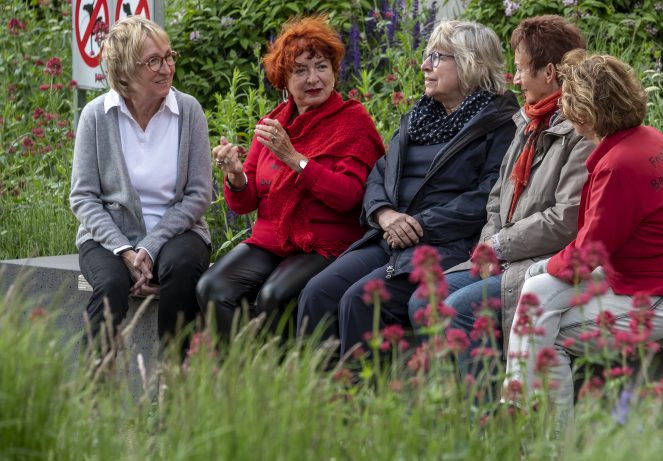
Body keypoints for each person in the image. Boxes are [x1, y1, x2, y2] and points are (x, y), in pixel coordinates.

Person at [503, 50, 663, 420]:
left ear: (584, 112)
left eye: (568, 102)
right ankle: (516, 407)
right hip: (657, 279)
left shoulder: (619, 165)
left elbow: (587, 256)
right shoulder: (647, 139)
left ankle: (539, 435)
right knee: (538, 293)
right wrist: (541, 272)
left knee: (545, 334)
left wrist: (539, 268)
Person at [297, 20, 519, 357]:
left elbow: (487, 197)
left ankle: (361, 388)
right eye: (427, 55)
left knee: (362, 299)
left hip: (444, 244)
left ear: (469, 63)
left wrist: (417, 225)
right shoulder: (421, 117)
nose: (424, 65)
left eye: (437, 57)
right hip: (390, 235)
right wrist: (385, 214)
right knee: (318, 291)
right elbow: (380, 173)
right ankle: (317, 384)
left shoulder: (499, 123)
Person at [407, 15, 594, 377]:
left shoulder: (580, 132)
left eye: (521, 69)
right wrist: (488, 246)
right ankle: (452, 396)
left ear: (549, 73)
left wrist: (499, 246)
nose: (516, 79)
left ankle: (484, 406)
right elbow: (496, 199)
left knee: (460, 308)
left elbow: (566, 219)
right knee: (423, 300)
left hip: (543, 265)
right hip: (507, 257)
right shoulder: (528, 123)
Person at [196, 16, 384, 340]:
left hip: (326, 244)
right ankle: (241, 367)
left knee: (274, 296)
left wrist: (296, 160)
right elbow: (244, 204)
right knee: (211, 287)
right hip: (271, 241)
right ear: (283, 79)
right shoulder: (272, 124)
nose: (313, 78)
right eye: (300, 71)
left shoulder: (353, 122)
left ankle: (282, 369)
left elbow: (351, 196)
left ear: (334, 71)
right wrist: (235, 175)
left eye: (321, 67)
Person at [70, 16, 212, 350]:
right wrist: (124, 250)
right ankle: (95, 379)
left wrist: (149, 247)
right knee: (110, 285)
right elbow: (83, 197)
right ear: (124, 71)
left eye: (169, 56)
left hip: (178, 232)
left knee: (180, 269)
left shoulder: (188, 111)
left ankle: (175, 376)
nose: (167, 67)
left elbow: (199, 194)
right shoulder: (96, 116)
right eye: (153, 61)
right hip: (108, 237)